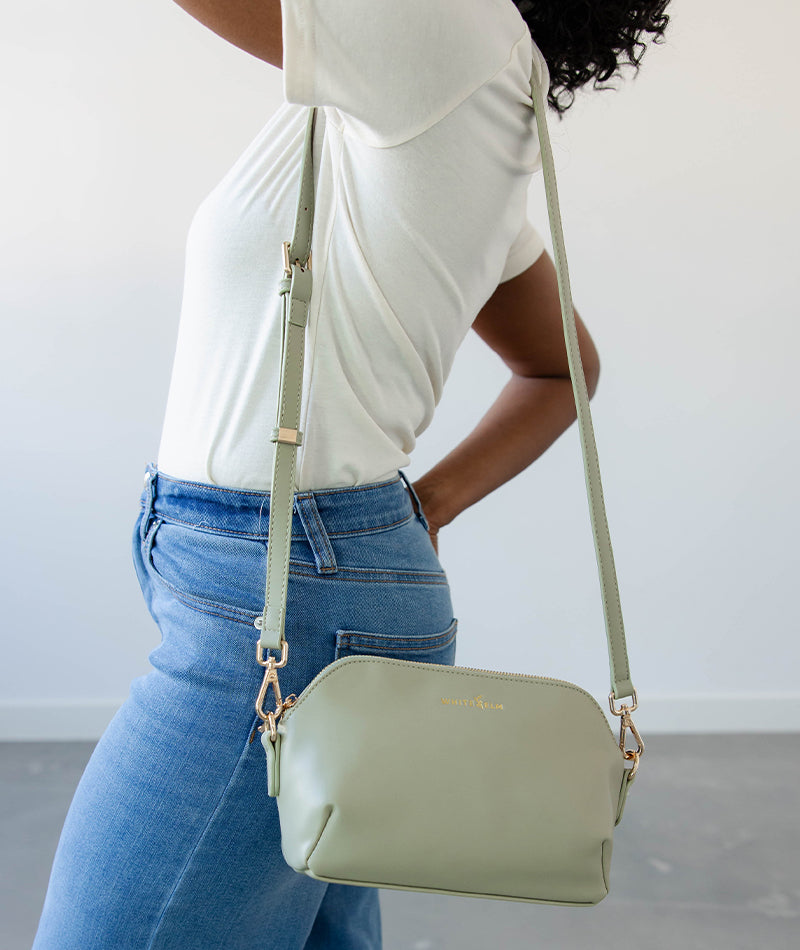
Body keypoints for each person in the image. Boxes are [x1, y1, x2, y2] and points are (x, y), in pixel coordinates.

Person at [32, 1, 670, 947]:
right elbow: (562, 365)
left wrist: (418, 510)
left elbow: (559, 369)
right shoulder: (459, 91)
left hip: (285, 600)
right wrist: (425, 509)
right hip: (304, 582)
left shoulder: (453, 32)